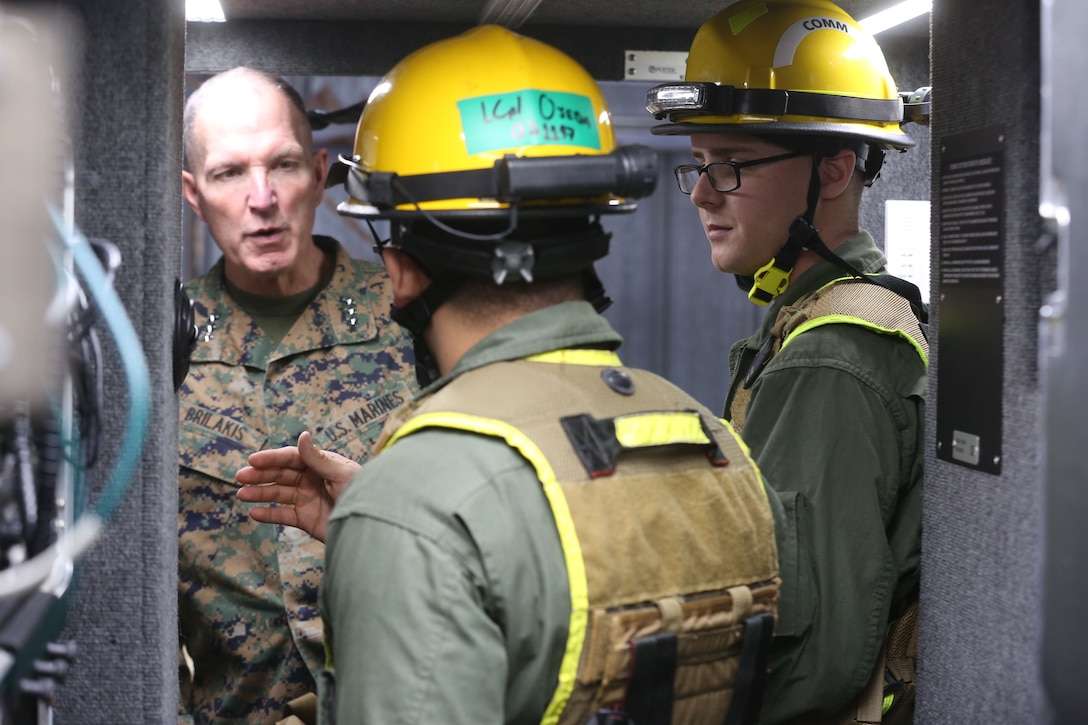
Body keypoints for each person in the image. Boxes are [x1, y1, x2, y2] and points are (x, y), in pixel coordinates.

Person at [236, 25, 785, 725]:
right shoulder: (720, 449)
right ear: (591, 233)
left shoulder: (418, 500)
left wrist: (399, 525)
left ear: (399, 268)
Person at [644, 0, 928, 722]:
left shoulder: (831, 356)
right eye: (699, 165)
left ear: (832, 171)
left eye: (730, 166)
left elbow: (810, 660)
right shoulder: (824, 318)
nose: (701, 193)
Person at [177, 67, 418, 725]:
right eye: (230, 173)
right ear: (193, 194)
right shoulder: (161, 341)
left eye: (282, 165)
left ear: (317, 173)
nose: (262, 198)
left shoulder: (411, 315)